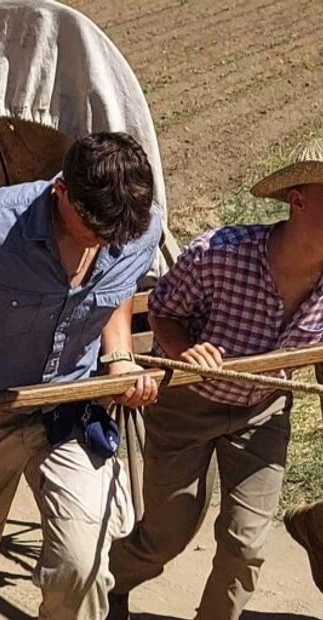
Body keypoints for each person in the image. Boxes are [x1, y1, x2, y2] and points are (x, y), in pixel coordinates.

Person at [0, 132, 162, 620]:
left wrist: (120, 356)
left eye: (118, 237)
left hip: (71, 408)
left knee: (82, 566)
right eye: (95, 231)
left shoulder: (138, 227)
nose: (107, 243)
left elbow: (118, 287)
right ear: (62, 192)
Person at [109, 138, 323, 619]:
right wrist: (186, 350)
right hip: (187, 407)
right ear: (299, 200)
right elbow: (162, 312)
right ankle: (108, 582)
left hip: (263, 412)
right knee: (167, 534)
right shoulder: (220, 254)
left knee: (246, 546)